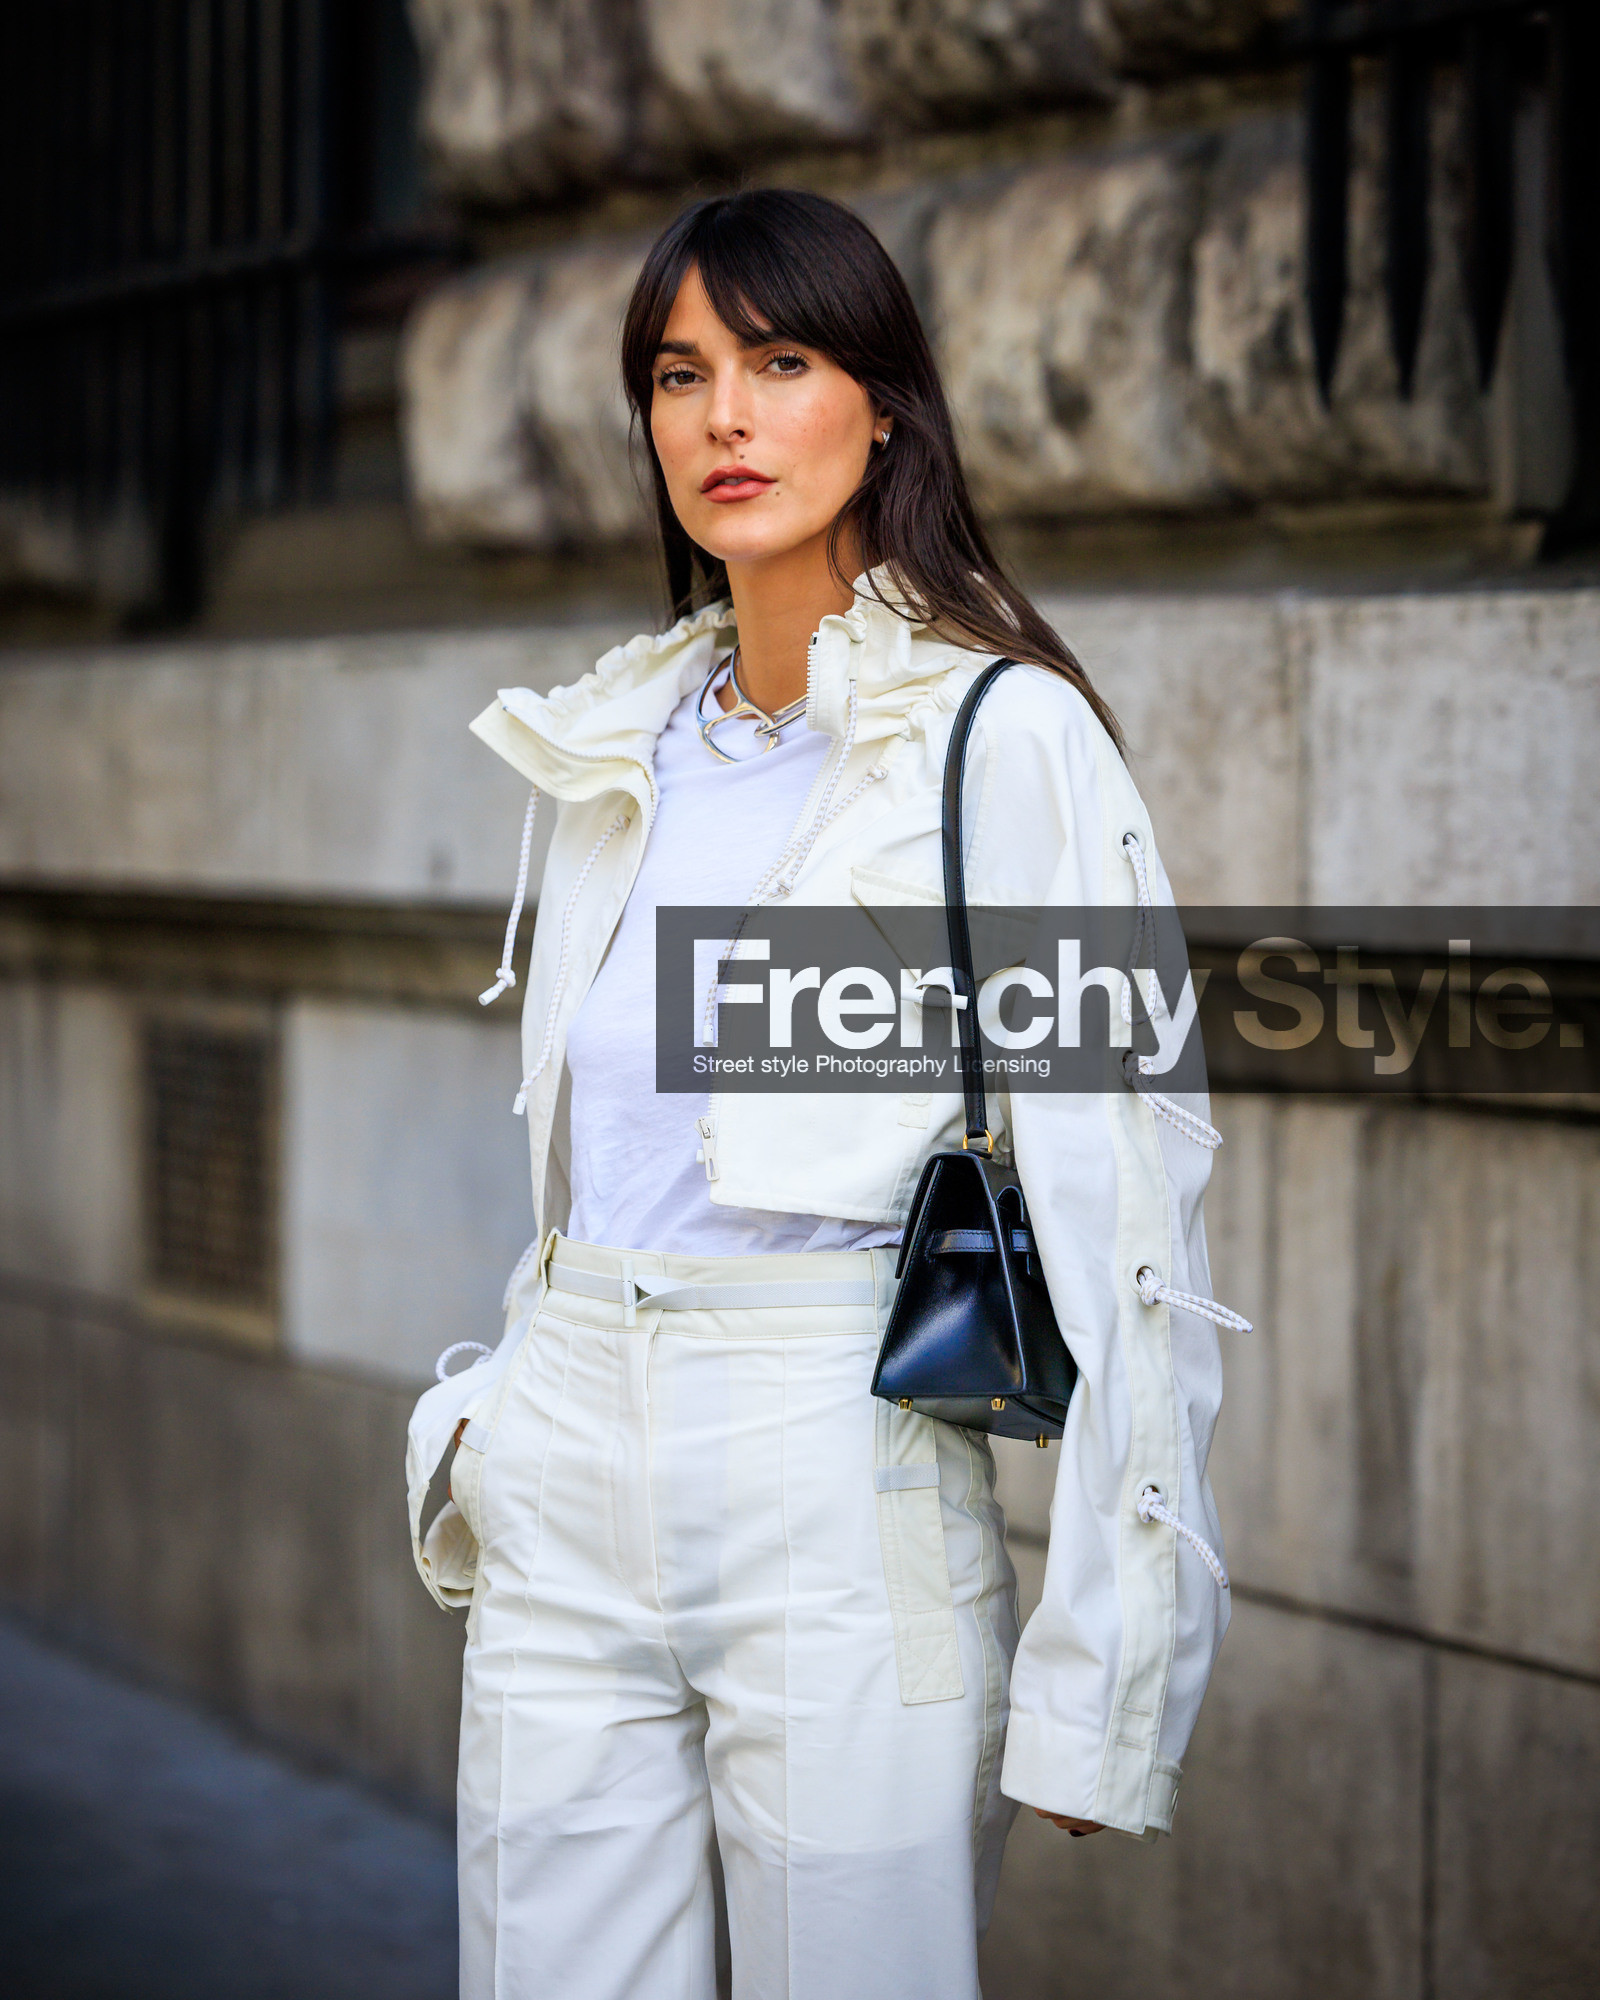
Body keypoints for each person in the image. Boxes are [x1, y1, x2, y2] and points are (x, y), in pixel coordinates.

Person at [405, 188, 1239, 2000]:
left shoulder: (997, 738)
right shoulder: (615, 743)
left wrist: (1110, 1676)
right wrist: (501, 1421)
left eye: (780, 363)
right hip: (570, 1460)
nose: (724, 416)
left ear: (885, 406)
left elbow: (1129, 1213)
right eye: (678, 373)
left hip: (833, 1472)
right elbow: (598, 1164)